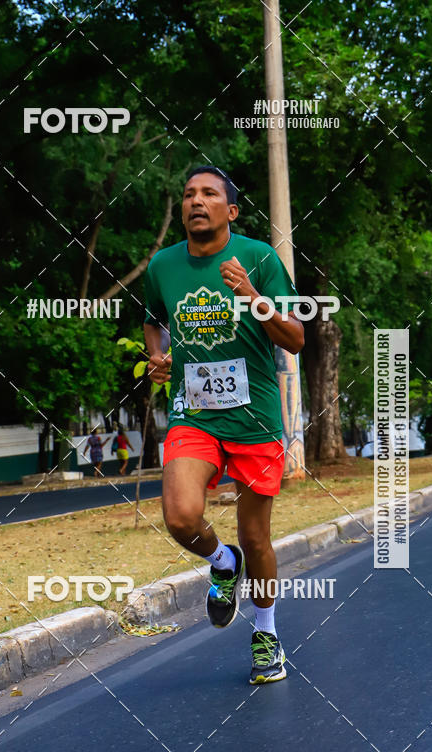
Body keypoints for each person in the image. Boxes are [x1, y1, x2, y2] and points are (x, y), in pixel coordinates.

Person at [143, 166, 304, 685]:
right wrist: (158, 356)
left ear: (230, 211)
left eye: (209, 194)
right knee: (181, 517)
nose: (196, 201)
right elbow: (152, 319)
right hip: (194, 415)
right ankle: (221, 561)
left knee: (257, 538)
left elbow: (296, 338)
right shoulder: (163, 265)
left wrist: (252, 298)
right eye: (188, 193)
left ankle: (266, 633)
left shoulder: (258, 258)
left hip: (255, 419)